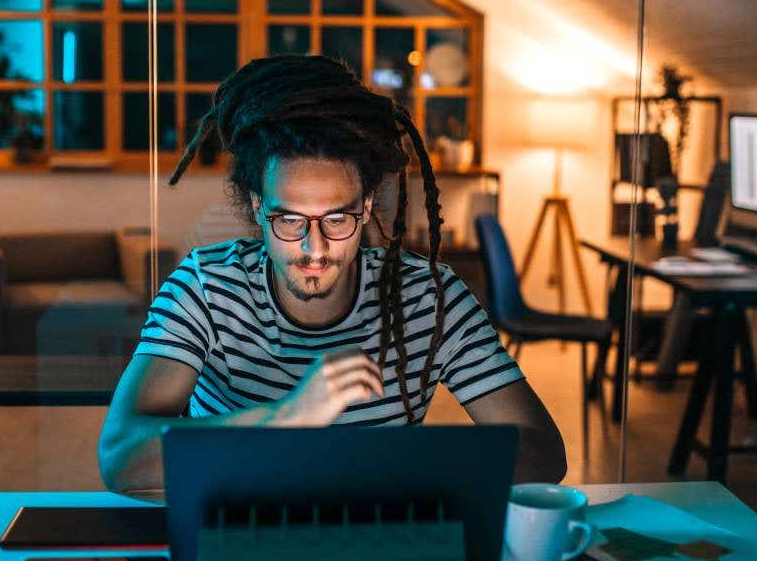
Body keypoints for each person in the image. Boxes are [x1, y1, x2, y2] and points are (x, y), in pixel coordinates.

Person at [99, 55, 566, 500]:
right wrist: (286, 420)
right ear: (259, 206)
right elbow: (121, 457)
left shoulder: (429, 297)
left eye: (336, 220)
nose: (314, 247)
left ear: (365, 208)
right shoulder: (204, 288)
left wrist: (372, 469)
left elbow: (544, 453)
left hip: (377, 545)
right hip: (231, 543)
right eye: (290, 220)